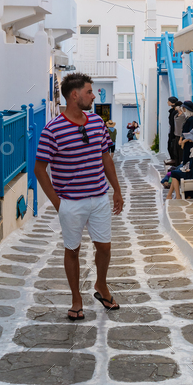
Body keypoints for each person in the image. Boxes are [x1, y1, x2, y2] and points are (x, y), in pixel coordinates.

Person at [34, 73, 124, 321]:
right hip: (70, 202)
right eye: (89, 91)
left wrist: (116, 189)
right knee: (72, 250)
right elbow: (40, 170)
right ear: (75, 95)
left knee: (104, 247)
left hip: (99, 198)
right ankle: (76, 298)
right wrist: (58, 203)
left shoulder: (97, 122)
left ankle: (101, 286)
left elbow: (106, 157)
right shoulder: (52, 129)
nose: (93, 95)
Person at [166, 128, 193, 200]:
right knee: (175, 172)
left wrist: (187, 170)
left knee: (174, 173)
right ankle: (170, 196)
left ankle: (177, 197)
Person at [179, 100, 193, 165]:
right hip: (186, 141)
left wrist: (184, 141)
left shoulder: (192, 119)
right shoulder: (188, 118)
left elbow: (191, 132)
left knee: (187, 157)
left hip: (188, 142)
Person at [165, 96, 179, 165]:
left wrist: (173, 132)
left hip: (174, 131)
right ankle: (173, 159)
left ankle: (174, 159)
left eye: (168, 101)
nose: (167, 102)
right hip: (172, 131)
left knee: (171, 145)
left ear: (171, 102)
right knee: (170, 145)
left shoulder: (174, 112)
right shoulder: (172, 111)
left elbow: (173, 123)